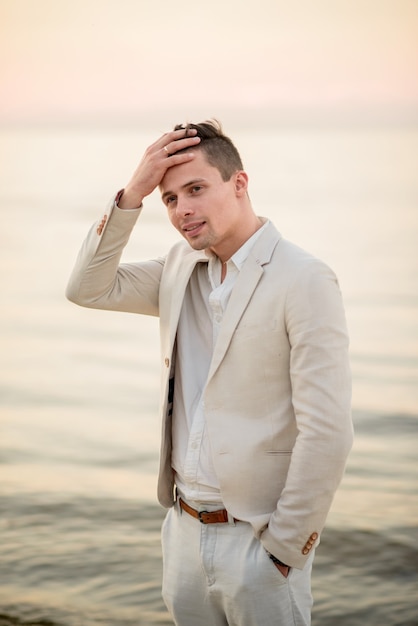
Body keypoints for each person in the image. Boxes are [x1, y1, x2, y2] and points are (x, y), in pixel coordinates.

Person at [66, 120, 353, 626]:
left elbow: (327, 430)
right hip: (182, 532)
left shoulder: (303, 278)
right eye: (171, 199)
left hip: (259, 544)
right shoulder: (178, 268)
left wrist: (286, 550)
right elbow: (88, 287)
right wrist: (133, 192)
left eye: (196, 189)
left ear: (239, 184)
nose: (183, 210)